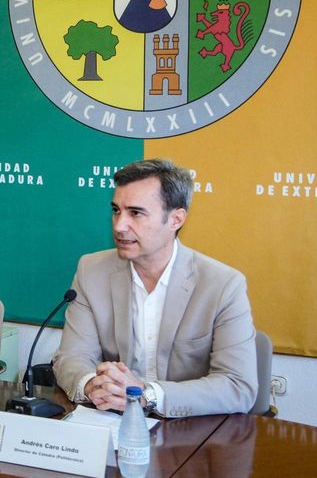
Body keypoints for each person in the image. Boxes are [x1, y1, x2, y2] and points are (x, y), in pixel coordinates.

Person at [52, 158, 257, 418]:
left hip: (189, 430)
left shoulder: (223, 285)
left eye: (135, 213)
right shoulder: (91, 270)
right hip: (112, 422)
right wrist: (91, 384)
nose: (119, 226)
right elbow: (71, 357)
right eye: (116, 210)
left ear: (176, 219)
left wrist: (146, 395)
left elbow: (238, 386)